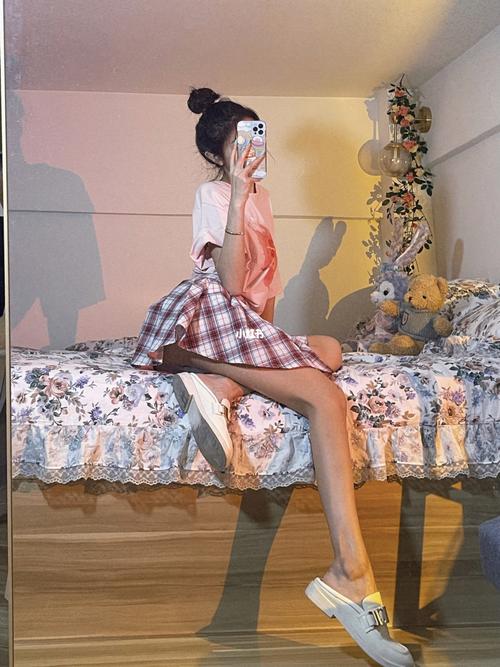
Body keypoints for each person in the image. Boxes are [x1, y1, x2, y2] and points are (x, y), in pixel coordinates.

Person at [131, 87, 415, 667]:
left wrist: (267, 348)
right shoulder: (215, 194)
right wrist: (236, 195)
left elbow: (262, 299)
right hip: (212, 310)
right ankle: (351, 572)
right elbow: (232, 286)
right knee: (325, 396)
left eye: (256, 137)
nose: (252, 150)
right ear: (217, 152)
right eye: (240, 141)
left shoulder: (262, 197)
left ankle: (212, 373)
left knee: (329, 350)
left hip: (241, 326)